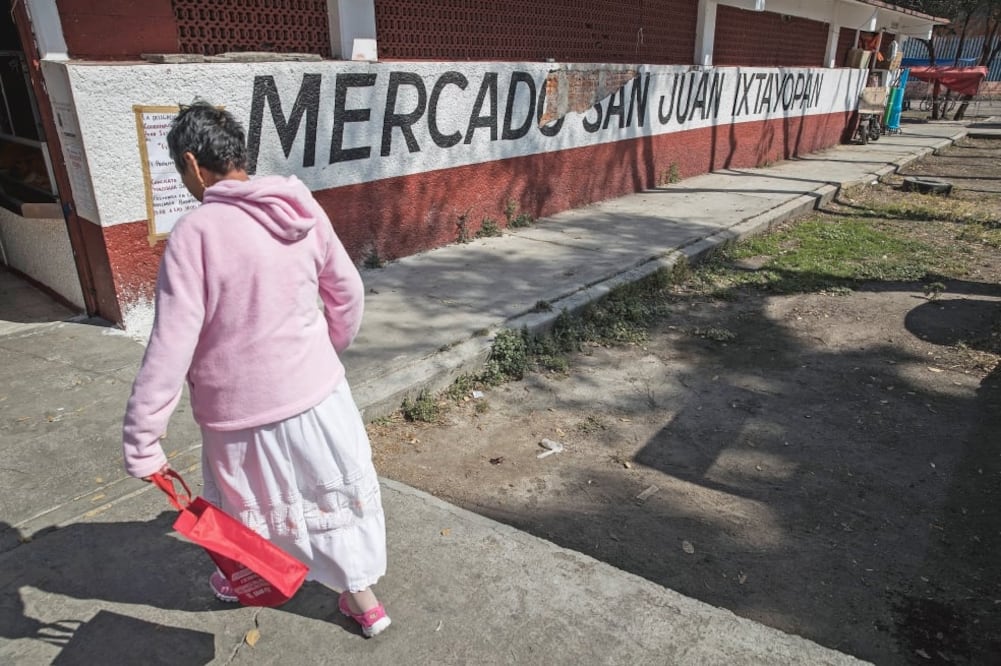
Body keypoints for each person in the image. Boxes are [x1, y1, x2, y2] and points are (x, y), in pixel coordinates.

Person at [121, 101, 390, 637]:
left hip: (240, 416)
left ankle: (246, 578)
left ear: (193, 165)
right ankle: (365, 603)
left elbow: (170, 346)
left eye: (182, 171)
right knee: (328, 498)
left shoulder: (195, 233)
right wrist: (322, 354)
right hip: (319, 397)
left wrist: (142, 439)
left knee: (250, 505)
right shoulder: (298, 206)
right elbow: (347, 293)